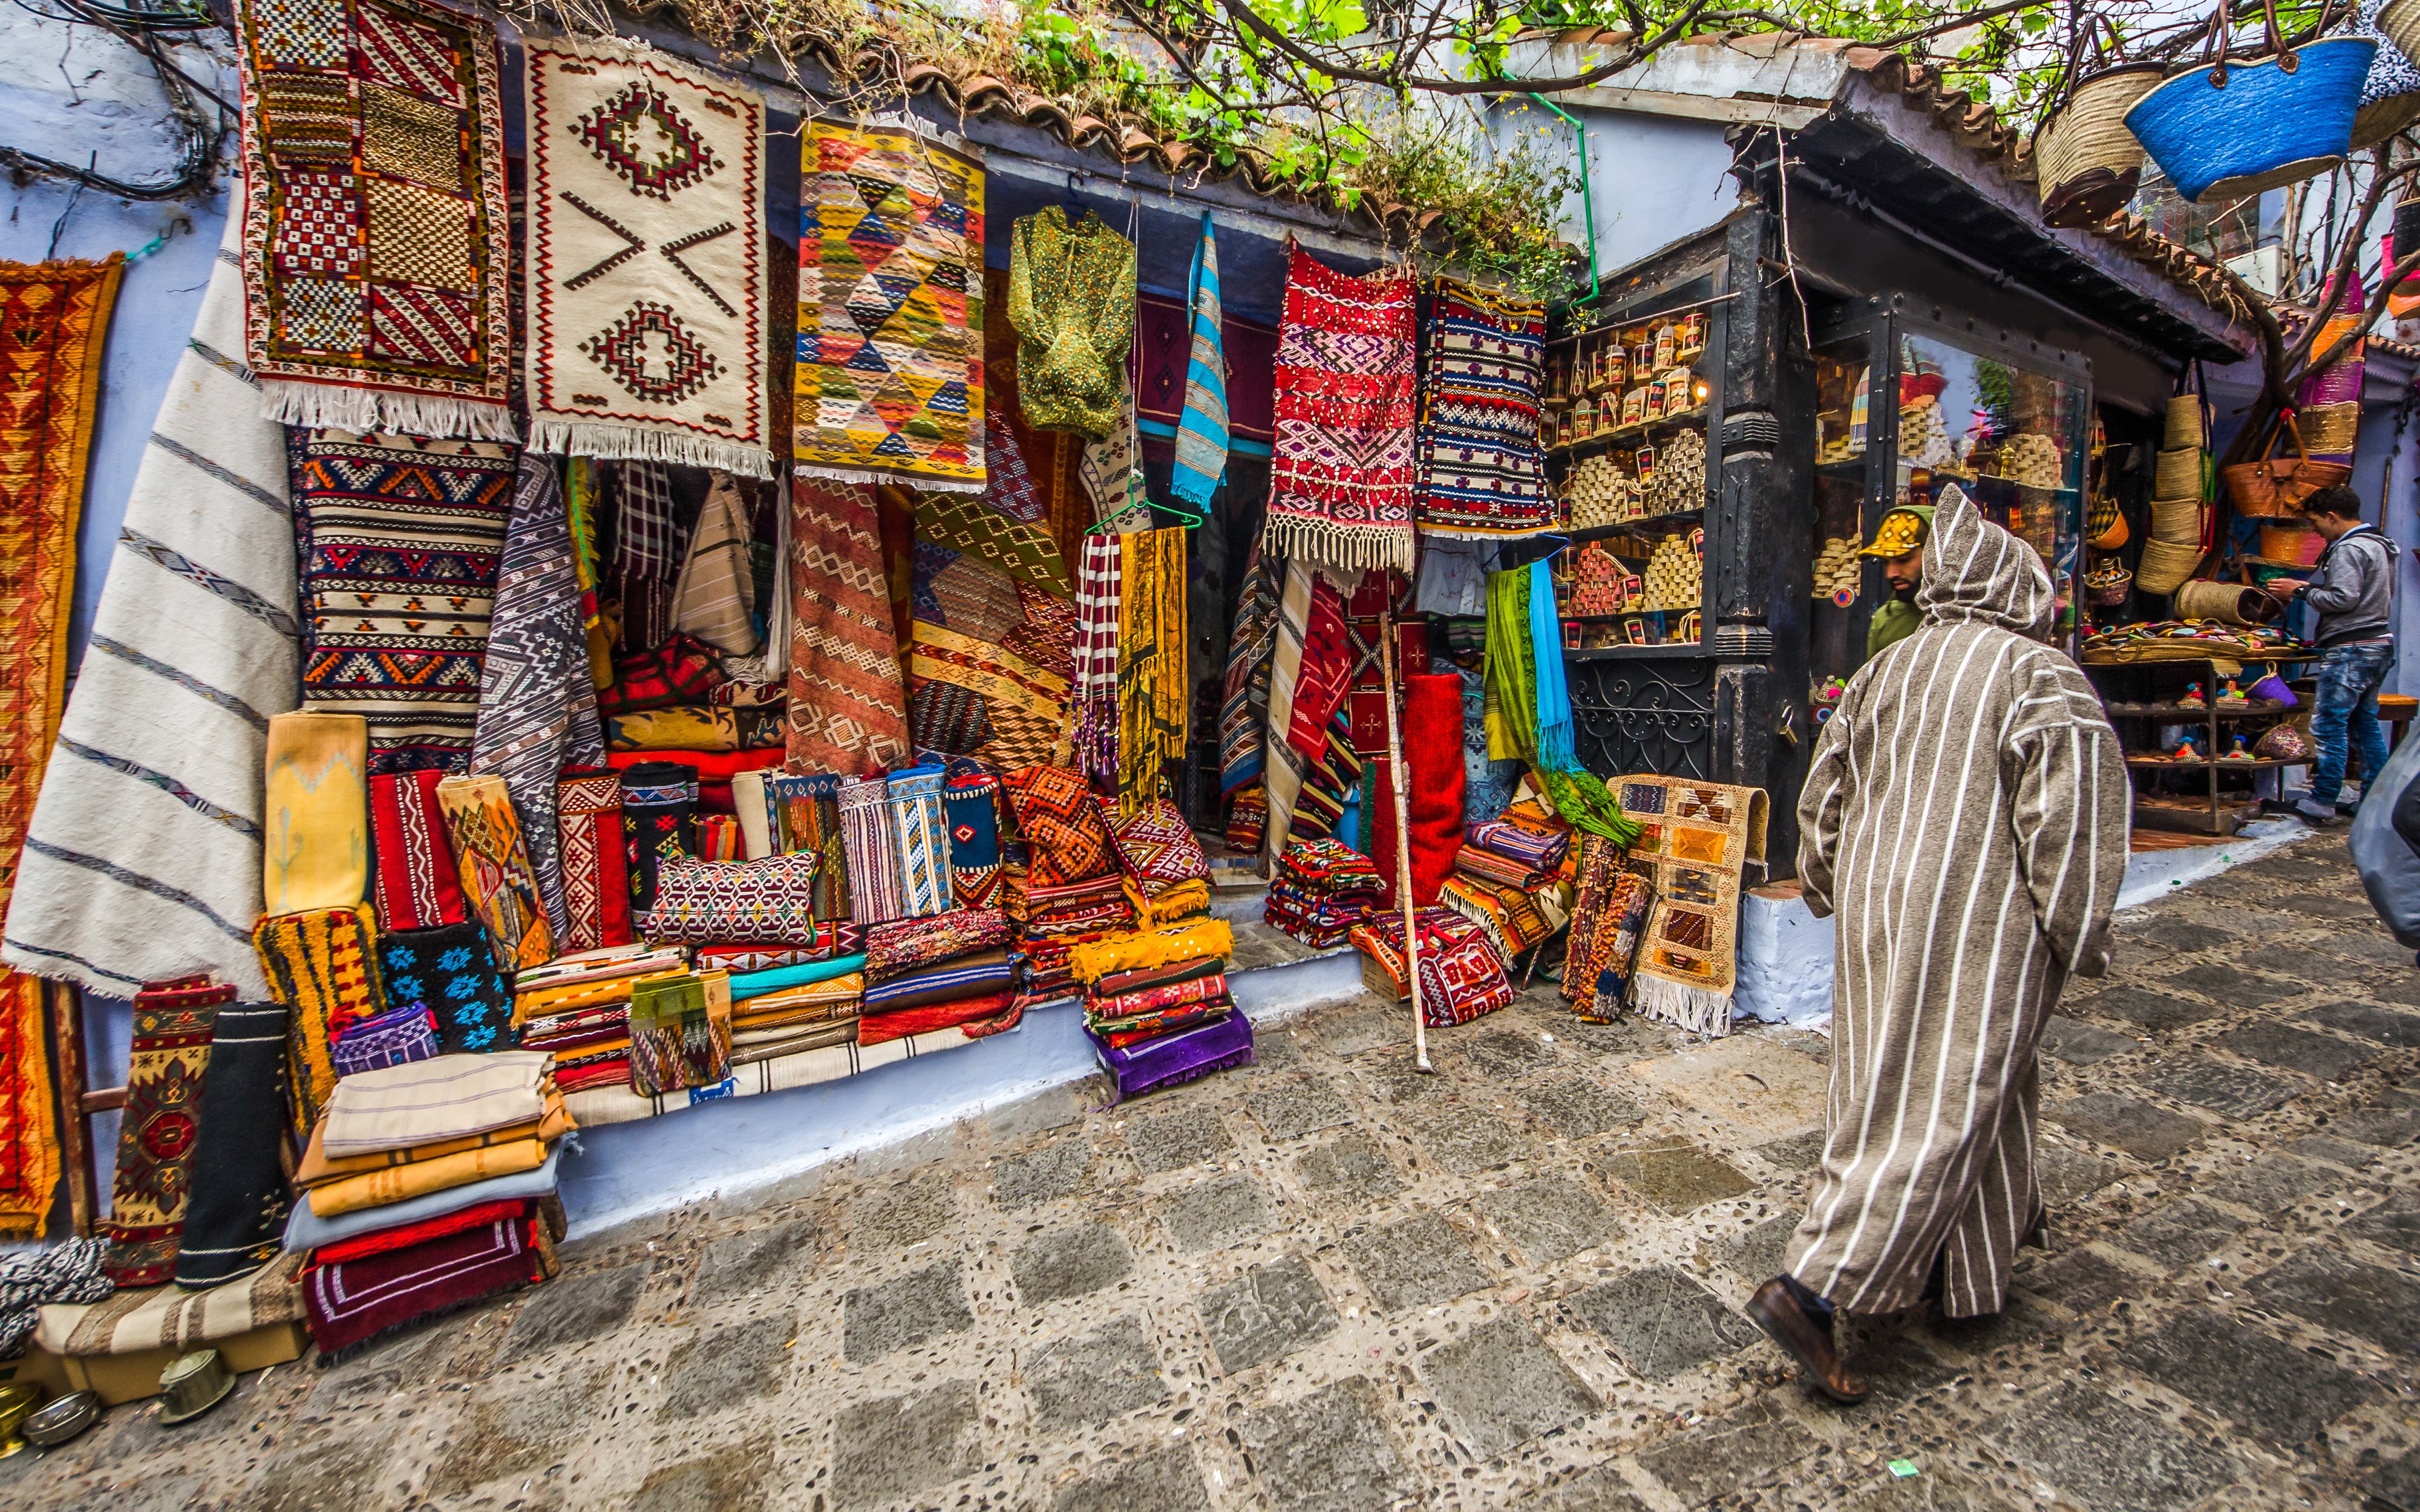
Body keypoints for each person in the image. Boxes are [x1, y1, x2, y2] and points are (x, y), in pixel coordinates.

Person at [1750, 486, 2128, 1402]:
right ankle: (1815, 1287)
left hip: (1881, 904)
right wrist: (2078, 932)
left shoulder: (1891, 667)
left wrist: (1824, 881)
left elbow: (1823, 796)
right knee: (1943, 1095)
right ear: (2019, 589)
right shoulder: (2040, 677)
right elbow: (2070, 826)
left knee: (1912, 1074)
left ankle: (1967, 1278)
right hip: (1977, 911)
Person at [2263, 484, 2398, 823]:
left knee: (2328, 725)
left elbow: (2343, 599)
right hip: (2376, 644)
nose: (2314, 530)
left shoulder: (2349, 549)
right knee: (2363, 725)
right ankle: (2373, 802)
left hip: (2352, 648)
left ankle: (2322, 799)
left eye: (2315, 522)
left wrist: (2301, 589)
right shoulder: (2379, 545)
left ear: (2332, 517)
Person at [1860, 503, 1934, 660]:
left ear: (1935, 554)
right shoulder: (1886, 620)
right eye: (1886, 562)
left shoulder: (1970, 616)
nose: (1891, 573)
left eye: (1903, 560)